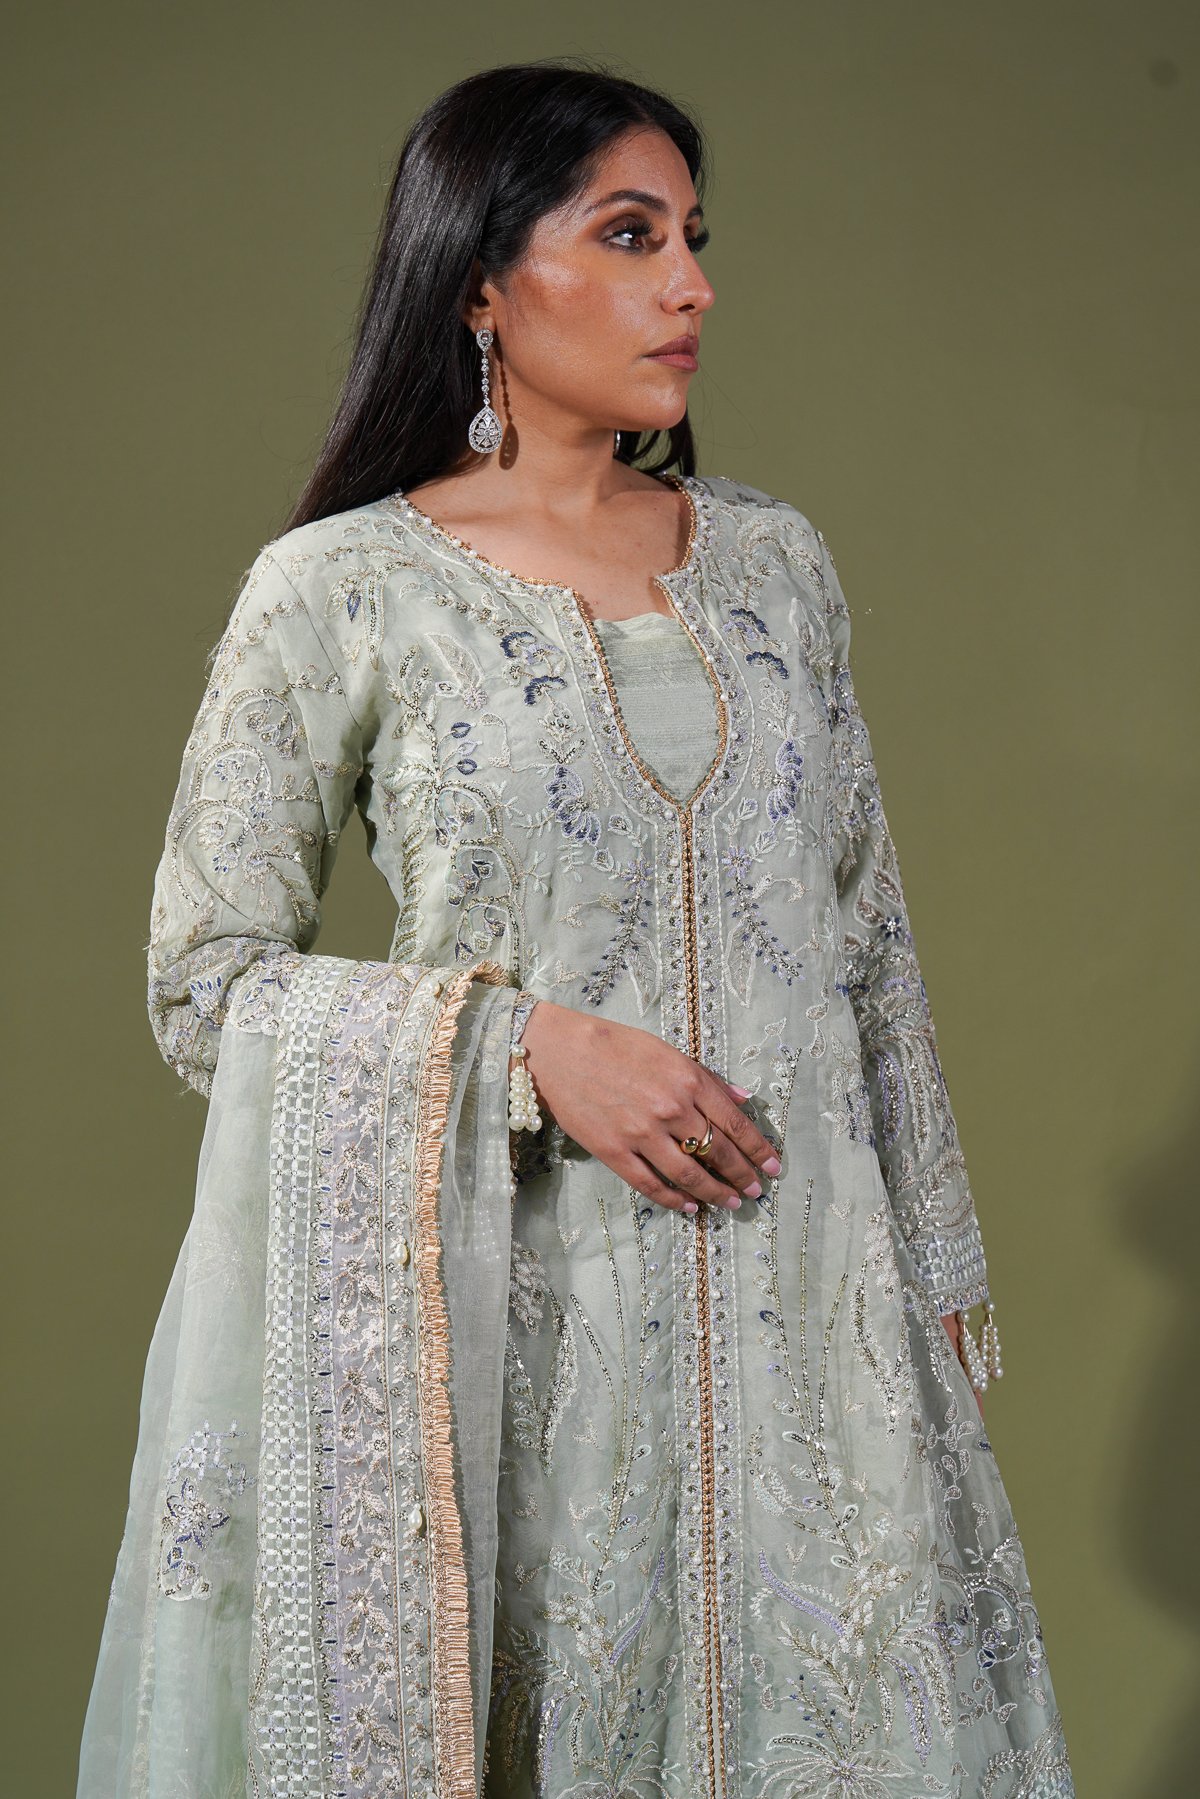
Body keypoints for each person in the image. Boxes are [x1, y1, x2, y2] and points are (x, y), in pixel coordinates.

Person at [77, 58, 1075, 1799]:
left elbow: (871, 955)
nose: (690, 286)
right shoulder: (342, 590)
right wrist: (524, 1047)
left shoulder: (777, 567)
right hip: (523, 1361)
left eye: (694, 238)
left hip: (820, 1356)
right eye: (628, 236)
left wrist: (928, 1310)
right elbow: (206, 983)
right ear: (480, 281)